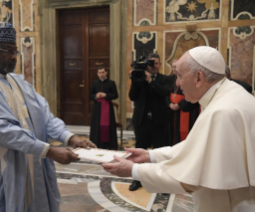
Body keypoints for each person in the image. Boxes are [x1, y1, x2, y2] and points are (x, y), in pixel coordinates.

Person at [0, 22, 96, 212]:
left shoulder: (20, 84)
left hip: (31, 167)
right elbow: (4, 131)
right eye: (8, 51)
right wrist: (49, 151)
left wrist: (70, 138)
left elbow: (45, 117)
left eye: (16, 51)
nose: (14, 57)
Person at [102, 46, 255, 212]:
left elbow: (188, 178)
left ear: (198, 78)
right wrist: (150, 155)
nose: (177, 83)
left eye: (179, 76)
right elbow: (195, 148)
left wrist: (134, 170)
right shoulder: (229, 93)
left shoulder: (222, 111)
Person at [128, 53, 170, 191]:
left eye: (156, 63)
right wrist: (135, 80)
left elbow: (165, 93)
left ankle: (160, 182)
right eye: (151, 63)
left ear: (160, 64)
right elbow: (132, 96)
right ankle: (137, 179)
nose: (153, 66)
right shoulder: (139, 78)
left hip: (159, 122)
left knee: (159, 153)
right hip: (142, 121)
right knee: (139, 152)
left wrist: (151, 82)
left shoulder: (165, 79)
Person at [166, 60, 199, 145]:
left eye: (176, 67)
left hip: (185, 111)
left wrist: (179, 105)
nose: (174, 69)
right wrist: (169, 103)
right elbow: (165, 94)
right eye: (173, 67)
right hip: (171, 113)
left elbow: (192, 95)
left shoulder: (189, 79)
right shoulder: (170, 79)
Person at [89, 66, 118, 149]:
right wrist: (96, 96)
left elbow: (115, 95)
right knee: (96, 126)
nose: (101, 74)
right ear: (97, 74)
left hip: (108, 108)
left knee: (109, 127)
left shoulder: (111, 83)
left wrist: (106, 95)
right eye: (99, 73)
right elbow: (90, 95)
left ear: (106, 73)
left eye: (103, 72)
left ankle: (109, 145)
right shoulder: (95, 83)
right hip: (97, 108)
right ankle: (96, 144)